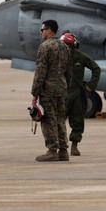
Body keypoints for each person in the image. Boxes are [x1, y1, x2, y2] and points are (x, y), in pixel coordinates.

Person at [30, 19, 72, 162]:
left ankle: (52, 150)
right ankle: (64, 151)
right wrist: (65, 85)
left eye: (42, 30)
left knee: (48, 120)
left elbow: (40, 72)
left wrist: (35, 92)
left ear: (49, 30)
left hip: (48, 90)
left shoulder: (45, 47)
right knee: (60, 119)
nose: (41, 32)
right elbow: (68, 70)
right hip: (61, 89)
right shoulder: (64, 46)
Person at [60, 32, 101, 156]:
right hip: (61, 94)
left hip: (77, 94)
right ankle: (61, 147)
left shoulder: (81, 57)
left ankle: (74, 145)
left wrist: (91, 85)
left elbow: (96, 68)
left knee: (77, 121)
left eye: (68, 45)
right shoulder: (57, 57)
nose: (66, 48)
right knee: (58, 121)